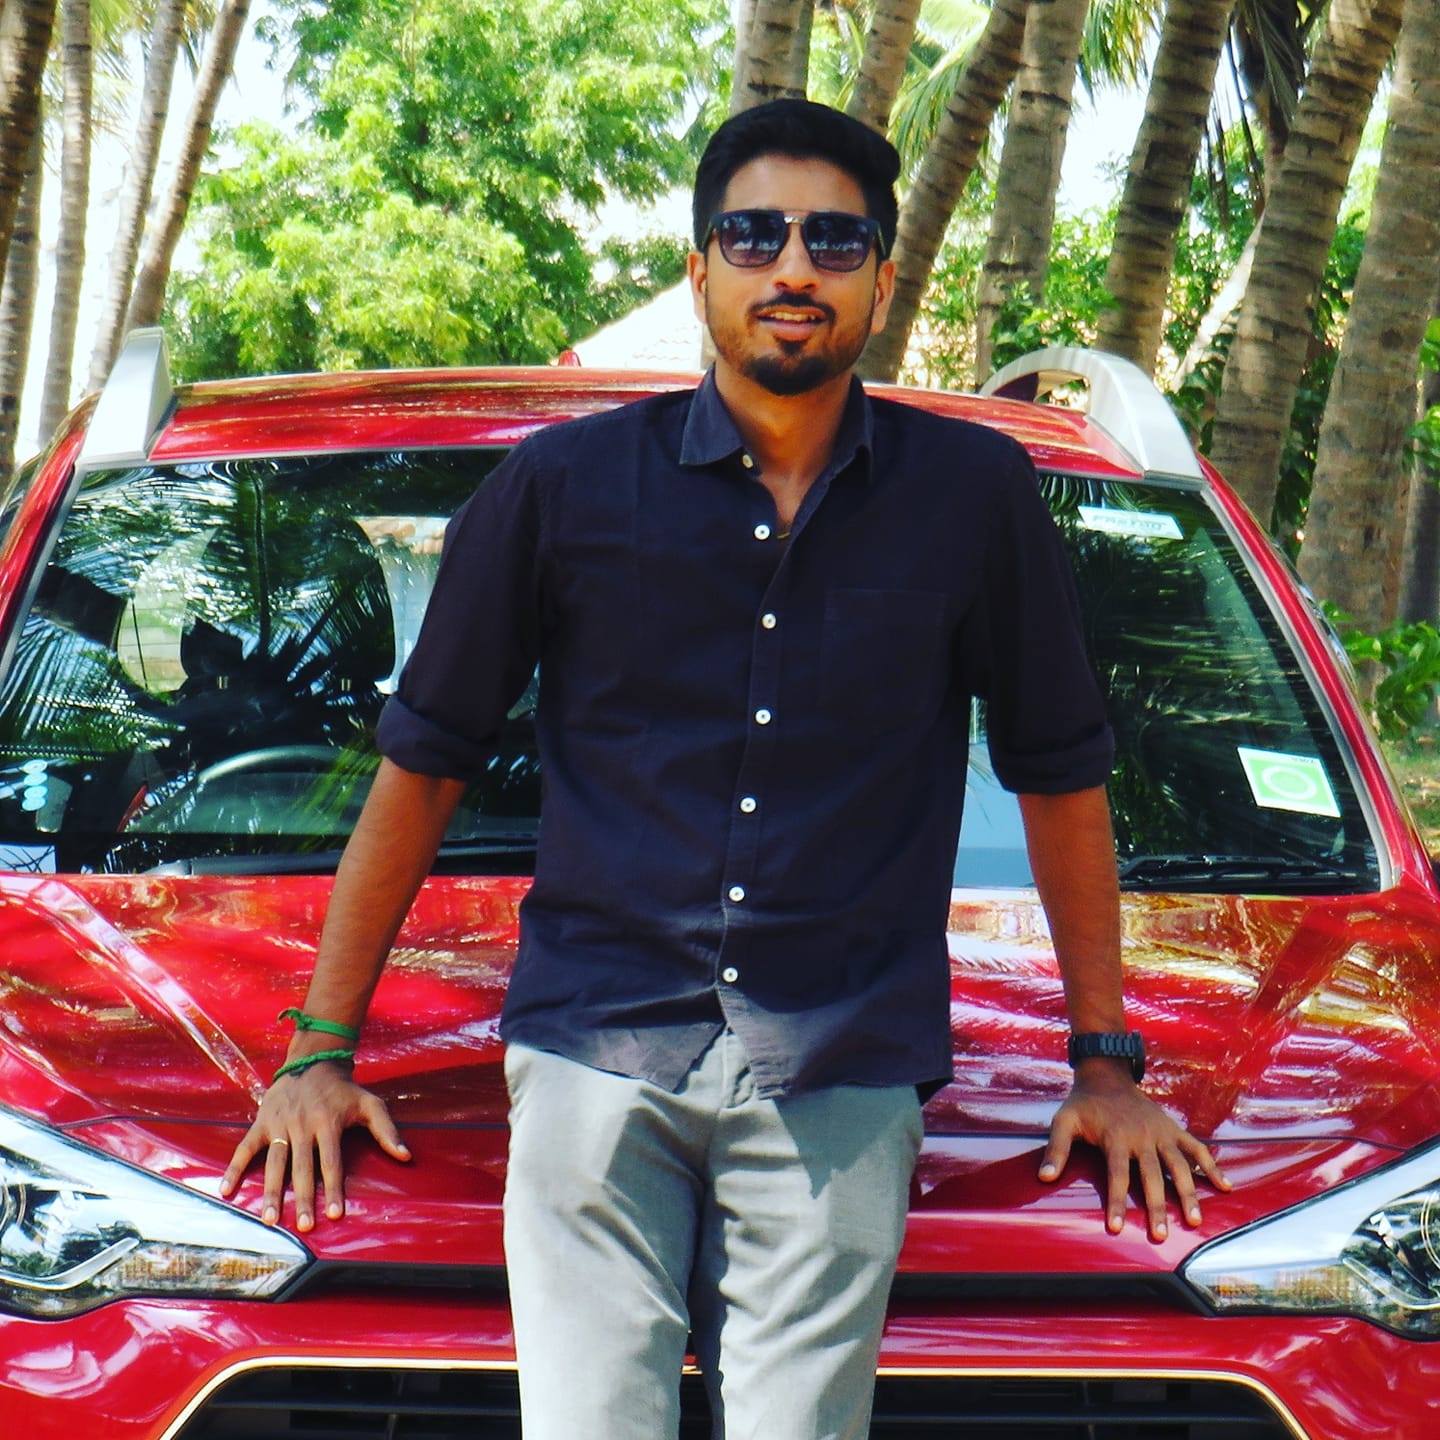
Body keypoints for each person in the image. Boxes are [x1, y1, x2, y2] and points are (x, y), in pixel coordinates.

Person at [220, 99, 1230, 1440]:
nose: (793, 267)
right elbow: (426, 763)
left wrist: (1104, 1067)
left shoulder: (974, 498)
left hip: (842, 1061)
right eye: (755, 236)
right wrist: (319, 1049)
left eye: (834, 240)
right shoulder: (561, 488)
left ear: (881, 280)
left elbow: (1059, 776)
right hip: (597, 1051)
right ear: (701, 271)